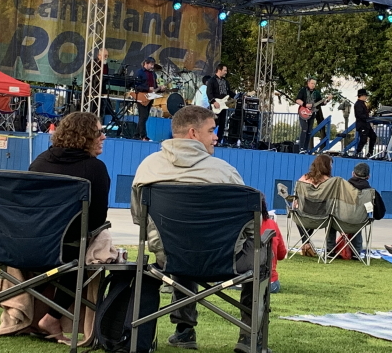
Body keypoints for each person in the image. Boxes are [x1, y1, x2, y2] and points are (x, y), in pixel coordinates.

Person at [130, 105, 263, 353]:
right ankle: (250, 336)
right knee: (261, 253)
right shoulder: (225, 172)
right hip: (225, 260)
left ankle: (184, 330)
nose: (216, 137)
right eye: (211, 131)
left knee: (182, 242)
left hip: (171, 258)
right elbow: (251, 230)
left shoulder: (147, 168)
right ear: (193, 133)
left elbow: (140, 219)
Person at [29, 112, 110, 342]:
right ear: (84, 135)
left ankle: (26, 316)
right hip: (67, 251)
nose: (103, 137)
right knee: (91, 248)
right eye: (99, 132)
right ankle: (52, 317)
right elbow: (96, 220)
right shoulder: (95, 169)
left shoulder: (40, 162)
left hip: (23, 247)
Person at [326, 162, 386, 257]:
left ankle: (330, 249)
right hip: (359, 224)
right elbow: (379, 214)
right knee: (358, 219)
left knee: (331, 218)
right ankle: (356, 252)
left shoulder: (341, 188)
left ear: (353, 173)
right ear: (368, 177)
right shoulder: (372, 192)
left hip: (339, 222)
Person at [296, 154, 333, 257]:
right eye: (331, 164)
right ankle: (307, 243)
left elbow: (296, 199)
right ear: (326, 165)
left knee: (297, 210)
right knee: (313, 211)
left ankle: (306, 243)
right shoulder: (330, 181)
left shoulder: (304, 178)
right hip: (322, 216)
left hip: (304, 215)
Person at [295, 78, 331, 153]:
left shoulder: (316, 93)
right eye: (312, 83)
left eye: (314, 84)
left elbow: (321, 103)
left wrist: (327, 100)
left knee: (309, 131)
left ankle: (305, 148)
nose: (313, 85)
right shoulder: (303, 90)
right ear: (308, 83)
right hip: (303, 111)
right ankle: (301, 148)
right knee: (304, 129)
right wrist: (305, 105)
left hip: (312, 113)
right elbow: (297, 100)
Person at [135, 57, 166, 141]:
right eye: (151, 64)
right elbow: (136, 85)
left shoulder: (153, 74)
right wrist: (147, 88)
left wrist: (160, 89)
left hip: (150, 96)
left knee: (145, 117)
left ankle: (137, 134)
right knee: (143, 116)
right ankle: (143, 136)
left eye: (153, 65)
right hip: (142, 96)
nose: (152, 66)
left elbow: (154, 88)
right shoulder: (139, 72)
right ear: (146, 63)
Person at [260, 197, 287, 294]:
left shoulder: (238, 225)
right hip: (270, 282)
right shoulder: (272, 224)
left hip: (239, 279)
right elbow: (281, 254)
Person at [206, 64, 235, 145]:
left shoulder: (225, 81)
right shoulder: (212, 80)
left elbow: (229, 92)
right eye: (225, 70)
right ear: (219, 70)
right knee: (213, 123)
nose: (226, 72)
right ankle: (208, 139)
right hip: (216, 105)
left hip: (224, 105)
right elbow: (209, 93)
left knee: (222, 124)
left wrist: (238, 96)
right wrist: (214, 102)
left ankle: (218, 141)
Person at [354, 89, 377, 158]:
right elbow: (359, 115)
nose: (366, 97)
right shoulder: (358, 104)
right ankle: (357, 152)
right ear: (361, 96)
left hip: (366, 125)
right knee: (363, 139)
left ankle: (370, 152)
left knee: (373, 136)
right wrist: (368, 117)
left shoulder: (362, 104)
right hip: (362, 125)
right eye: (365, 96)